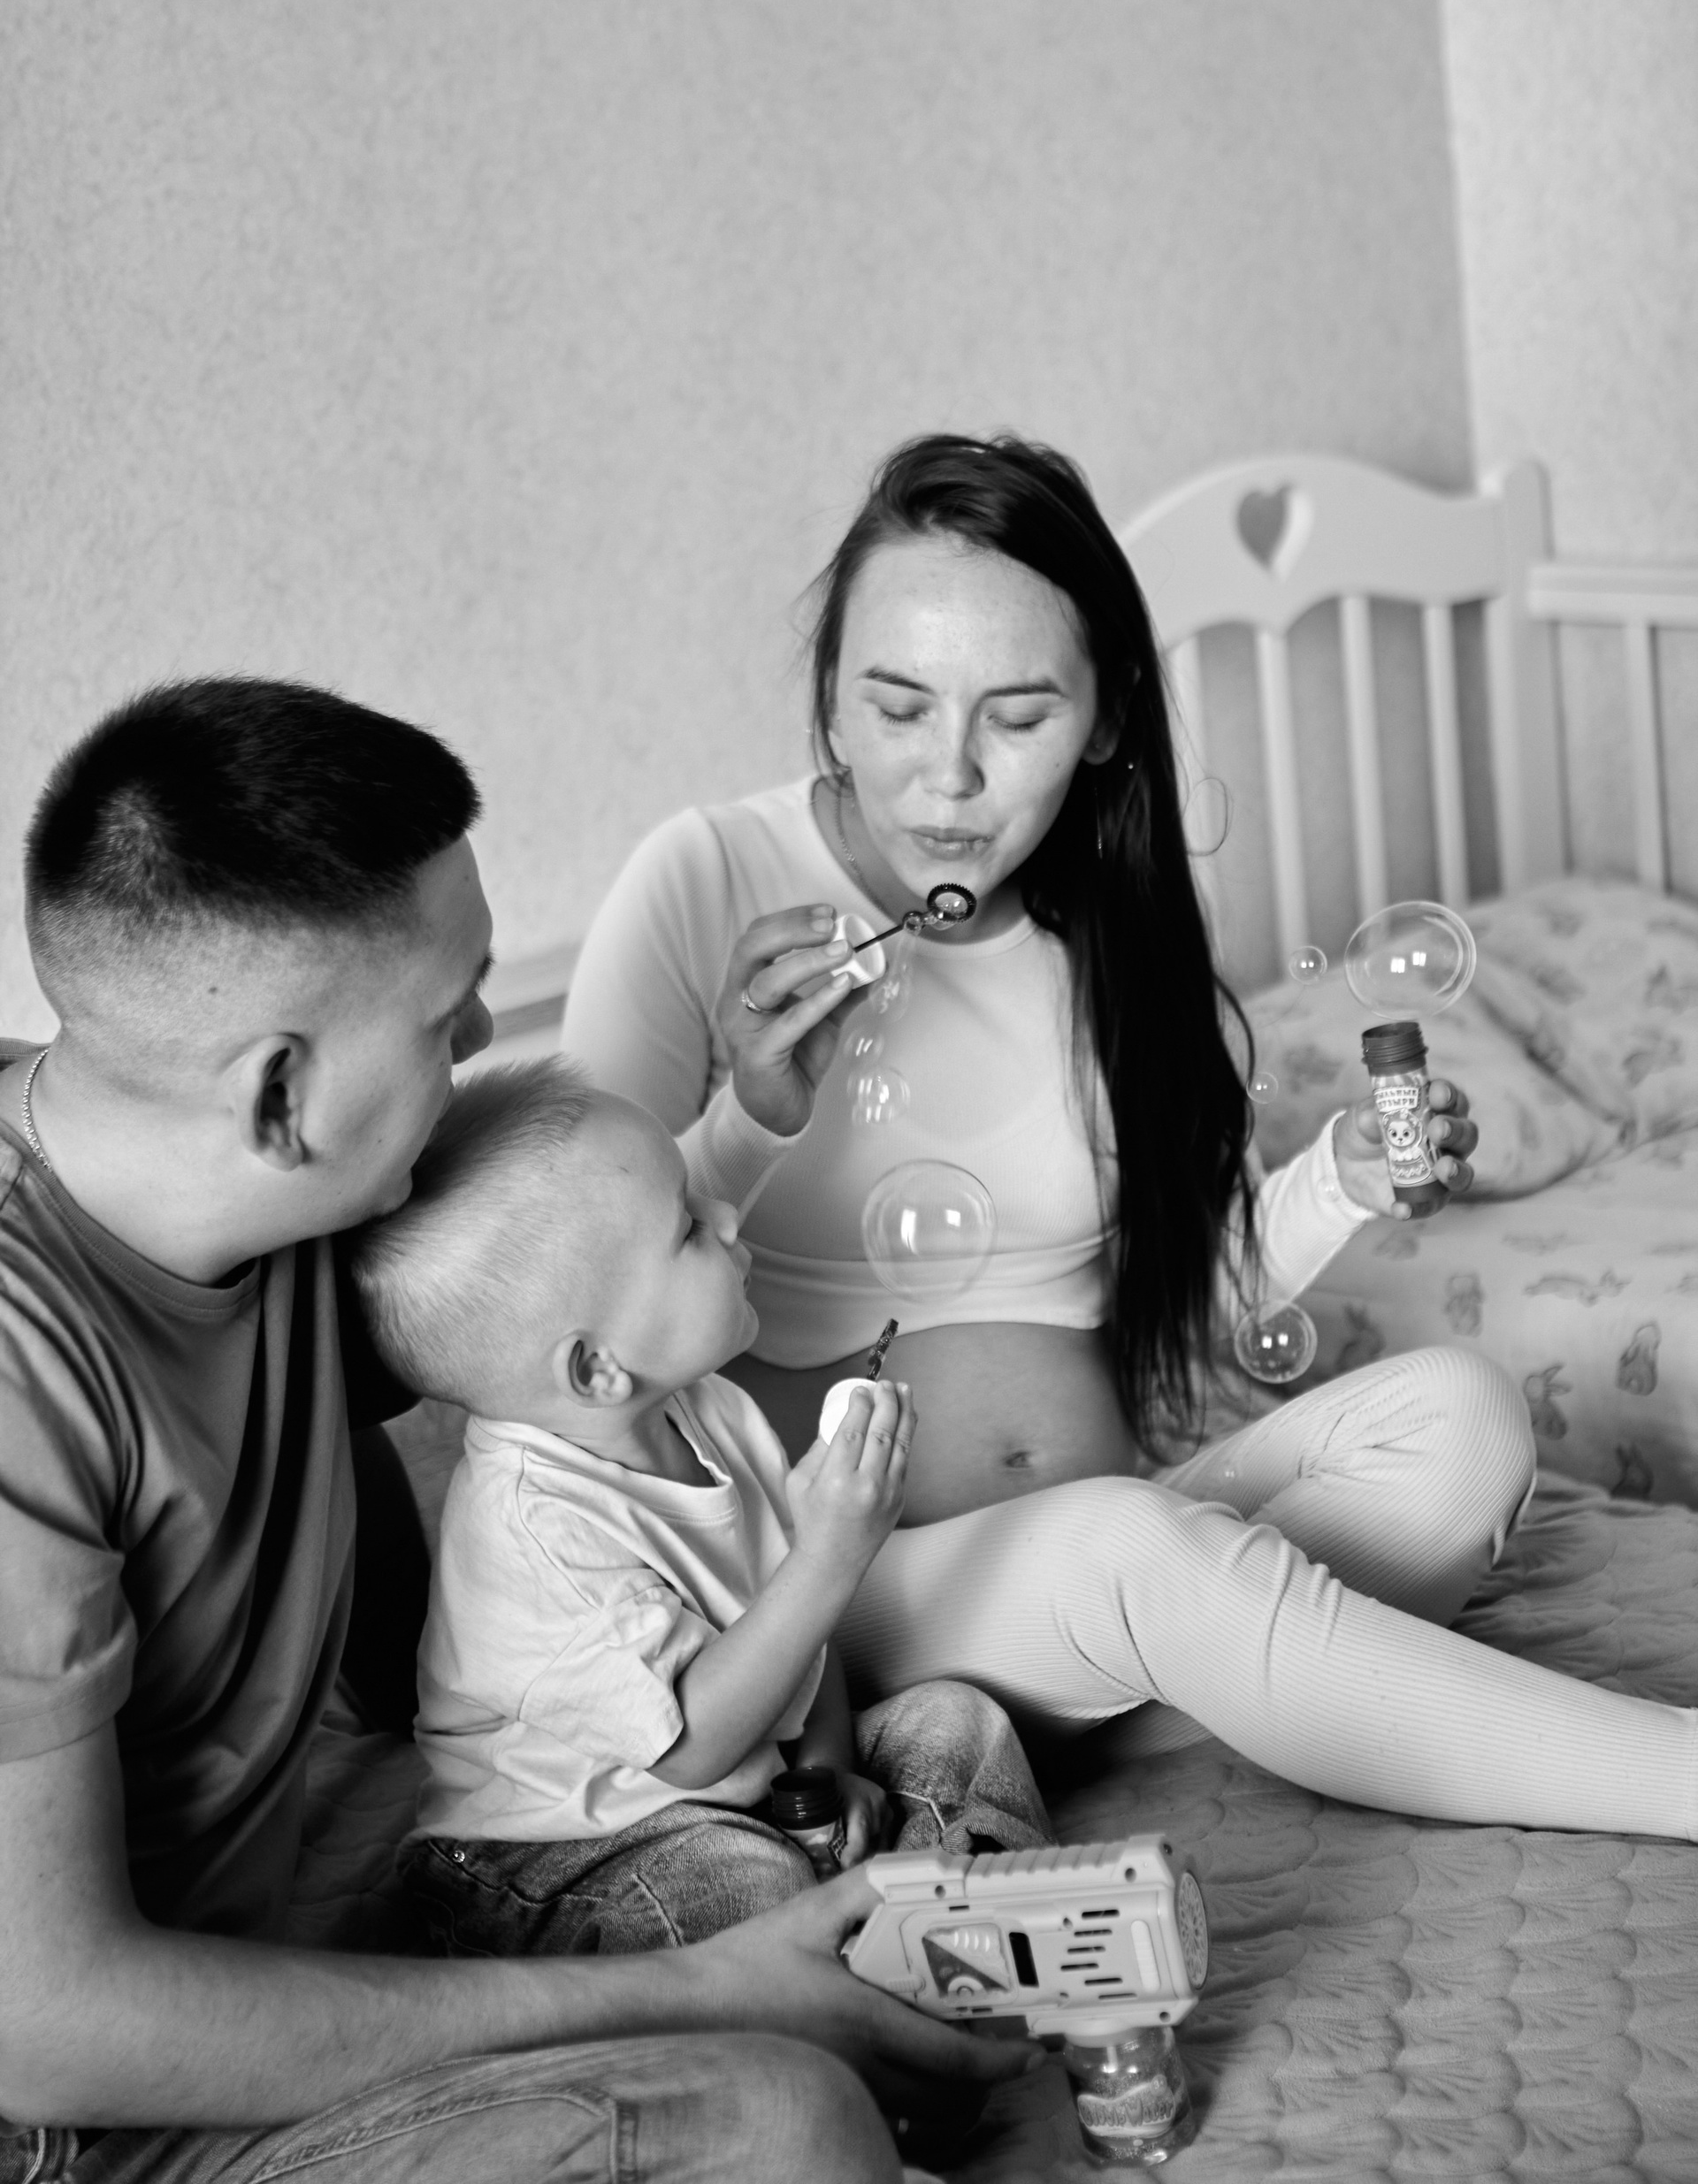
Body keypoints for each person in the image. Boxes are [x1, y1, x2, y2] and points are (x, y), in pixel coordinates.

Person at [562, 433, 1698, 1842]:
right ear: (832, 702)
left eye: (1018, 717)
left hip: (1102, 1539)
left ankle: (1161, 1675)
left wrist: (1339, 1182)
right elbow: (572, 1280)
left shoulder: (1116, 940)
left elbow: (1191, 1293)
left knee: (1464, 1417)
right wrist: (753, 1108)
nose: (949, 777)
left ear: (1104, 721)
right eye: (898, 707)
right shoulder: (704, 881)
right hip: (824, 1597)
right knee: (1137, 1548)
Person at [0, 677, 1037, 2184]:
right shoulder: (24, 1390)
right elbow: (50, 2028)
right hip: (82, 2119)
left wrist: (747, 1111)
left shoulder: (257, 1203)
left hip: (246, 1964)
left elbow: (567, 1299)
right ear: (280, 1097)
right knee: (781, 2119)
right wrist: (697, 1986)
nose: (486, 1031)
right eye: (446, 1020)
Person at [346, 1059, 1052, 1961]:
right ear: (598, 1369)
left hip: (745, 1785)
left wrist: (825, 1775)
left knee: (957, 1721)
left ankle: (961, 1934)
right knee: (749, 1881)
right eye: (687, 1226)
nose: (726, 1217)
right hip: (556, 1853)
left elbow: (796, 1639)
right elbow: (692, 1749)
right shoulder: (534, 1534)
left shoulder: (712, 1411)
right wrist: (833, 1554)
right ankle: (863, 1967)